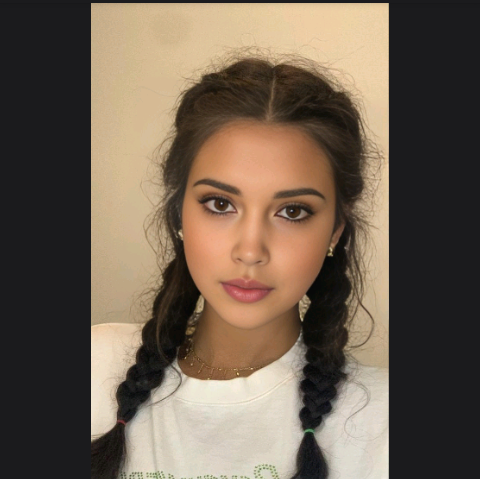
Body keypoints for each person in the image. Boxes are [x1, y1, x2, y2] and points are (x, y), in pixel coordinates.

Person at [91, 53, 388, 479]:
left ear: (335, 230)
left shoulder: (379, 421)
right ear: (179, 214)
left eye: (293, 212)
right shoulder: (95, 366)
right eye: (220, 204)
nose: (250, 251)